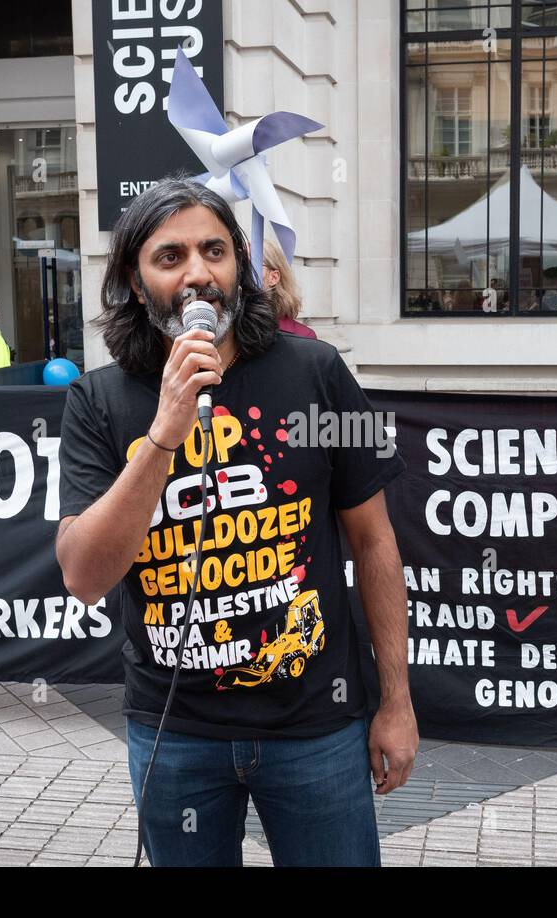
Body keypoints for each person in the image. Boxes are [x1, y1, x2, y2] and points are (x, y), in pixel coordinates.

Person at [55, 177, 418, 866]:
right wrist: (164, 431)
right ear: (136, 283)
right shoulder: (97, 401)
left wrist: (396, 702)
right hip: (177, 736)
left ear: (240, 267)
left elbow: (374, 542)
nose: (197, 273)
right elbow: (83, 576)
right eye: (170, 257)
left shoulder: (317, 372)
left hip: (316, 728)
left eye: (214, 251)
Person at [260, 239, 315, 339]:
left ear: (273, 277)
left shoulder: (303, 337)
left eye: (252, 264)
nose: (243, 272)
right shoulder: (229, 332)